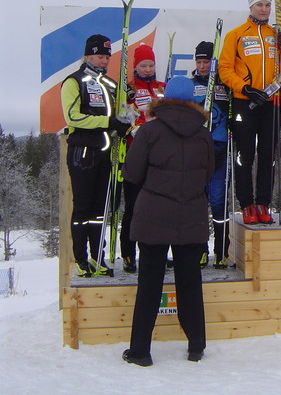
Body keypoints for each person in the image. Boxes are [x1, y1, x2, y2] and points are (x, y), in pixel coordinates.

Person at [121, 76, 214, 367]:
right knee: (190, 281)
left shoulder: (149, 131)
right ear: (192, 101)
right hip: (192, 214)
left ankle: (140, 351)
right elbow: (208, 172)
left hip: (154, 215)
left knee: (149, 283)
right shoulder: (203, 134)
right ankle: (196, 345)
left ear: (164, 99)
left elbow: (132, 173)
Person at [60, 34, 130, 277]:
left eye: (107, 57)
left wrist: (126, 115)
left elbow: (124, 110)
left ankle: (97, 256)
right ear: (87, 56)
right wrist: (108, 122)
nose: (104, 61)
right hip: (83, 152)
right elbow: (73, 117)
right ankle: (80, 259)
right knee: (83, 207)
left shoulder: (109, 83)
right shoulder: (74, 81)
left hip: (105, 152)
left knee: (101, 209)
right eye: (99, 56)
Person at [218, 0, 278, 225]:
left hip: (271, 103)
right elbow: (225, 69)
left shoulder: (276, 35)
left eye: (267, 6)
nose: (264, 9)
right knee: (245, 154)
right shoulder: (236, 34)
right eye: (259, 5)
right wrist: (245, 88)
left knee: (268, 155)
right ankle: (246, 204)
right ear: (251, 7)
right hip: (245, 102)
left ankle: (263, 203)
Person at [120, 44, 166, 273]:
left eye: (151, 65)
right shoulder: (128, 90)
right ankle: (128, 254)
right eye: (143, 65)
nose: (148, 69)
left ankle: (157, 253)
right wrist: (139, 128)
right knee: (134, 206)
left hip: (160, 156)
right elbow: (124, 118)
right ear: (135, 67)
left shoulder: (162, 88)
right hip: (136, 154)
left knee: (158, 207)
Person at [191, 41, 231, 268]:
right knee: (198, 202)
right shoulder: (191, 85)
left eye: (206, 61)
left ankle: (221, 252)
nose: (202, 66)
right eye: (199, 61)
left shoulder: (223, 85)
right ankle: (200, 250)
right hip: (196, 151)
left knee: (218, 201)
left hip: (219, 149)